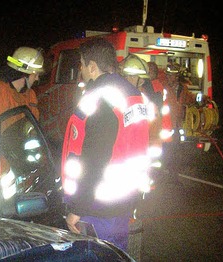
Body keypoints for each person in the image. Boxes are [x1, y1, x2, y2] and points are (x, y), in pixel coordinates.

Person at [61, 38, 150, 251]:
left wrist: (77, 208)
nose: (80, 69)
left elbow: (95, 158)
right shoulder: (131, 93)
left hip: (97, 206)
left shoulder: (101, 98)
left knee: (95, 254)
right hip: (122, 200)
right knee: (116, 253)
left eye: (82, 64)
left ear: (92, 67)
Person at [160, 62, 197, 177]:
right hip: (164, 126)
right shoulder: (162, 87)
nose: (170, 77)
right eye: (169, 75)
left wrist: (200, 99)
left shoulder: (182, 88)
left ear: (177, 77)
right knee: (163, 151)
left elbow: (188, 99)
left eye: (173, 75)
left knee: (175, 151)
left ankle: (173, 175)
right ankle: (161, 174)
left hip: (176, 126)